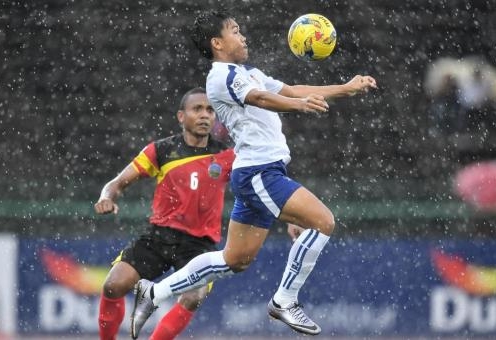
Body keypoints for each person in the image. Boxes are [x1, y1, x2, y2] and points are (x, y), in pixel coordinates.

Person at [131, 10, 377, 337]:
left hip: (258, 172)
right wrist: (300, 106)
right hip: (259, 172)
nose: (243, 35)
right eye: (235, 30)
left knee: (235, 260)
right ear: (217, 43)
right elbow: (263, 99)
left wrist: (345, 88)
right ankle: (285, 301)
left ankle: (154, 292)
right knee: (323, 222)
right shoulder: (221, 77)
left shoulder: (246, 72)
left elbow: (289, 90)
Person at [94, 87, 235, 340]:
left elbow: (262, 188)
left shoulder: (228, 155)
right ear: (181, 116)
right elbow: (116, 183)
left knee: (193, 297)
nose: (205, 115)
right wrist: (106, 198)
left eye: (210, 110)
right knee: (113, 285)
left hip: (200, 246)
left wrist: (293, 218)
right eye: (197, 109)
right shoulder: (160, 150)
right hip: (159, 237)